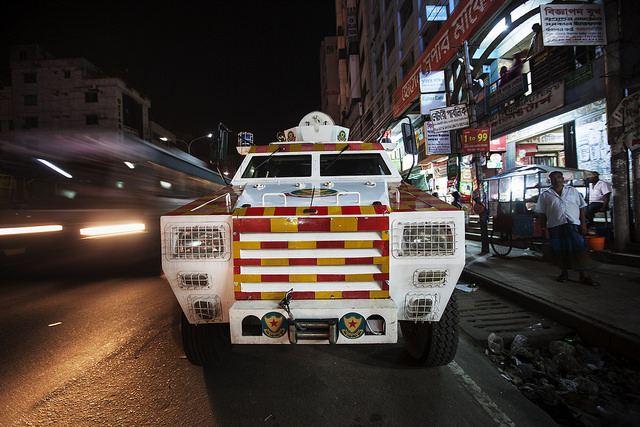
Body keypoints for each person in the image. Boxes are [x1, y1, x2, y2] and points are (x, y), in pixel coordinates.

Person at [535, 171, 598, 286]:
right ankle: (564, 273)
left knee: (578, 250)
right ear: (550, 180)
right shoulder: (545, 195)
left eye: (559, 177)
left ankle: (584, 275)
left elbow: (581, 208)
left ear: (562, 178)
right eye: (553, 178)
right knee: (561, 250)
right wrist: (544, 229)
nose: (556, 180)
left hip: (573, 224)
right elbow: (542, 214)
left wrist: (583, 225)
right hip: (555, 226)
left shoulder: (572, 191)